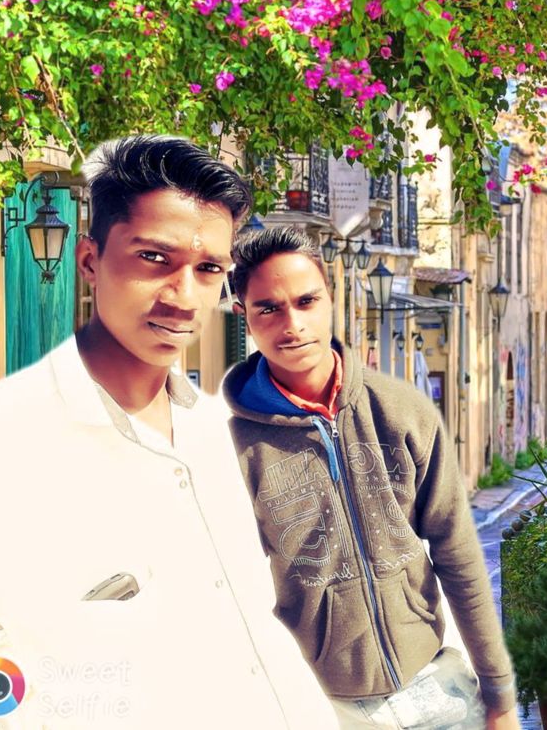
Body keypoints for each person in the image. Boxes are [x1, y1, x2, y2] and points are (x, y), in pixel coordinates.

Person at [0, 138, 338, 730]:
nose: (184, 298)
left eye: (208, 270)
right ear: (89, 261)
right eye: (154, 258)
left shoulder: (226, 437)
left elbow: (261, 629)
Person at [222, 225, 521, 730]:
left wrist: (500, 696)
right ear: (243, 315)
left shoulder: (402, 412)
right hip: (322, 706)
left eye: (306, 301)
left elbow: (457, 553)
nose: (293, 324)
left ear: (330, 297)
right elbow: (230, 593)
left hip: (436, 690)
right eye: (268, 308)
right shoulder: (234, 446)